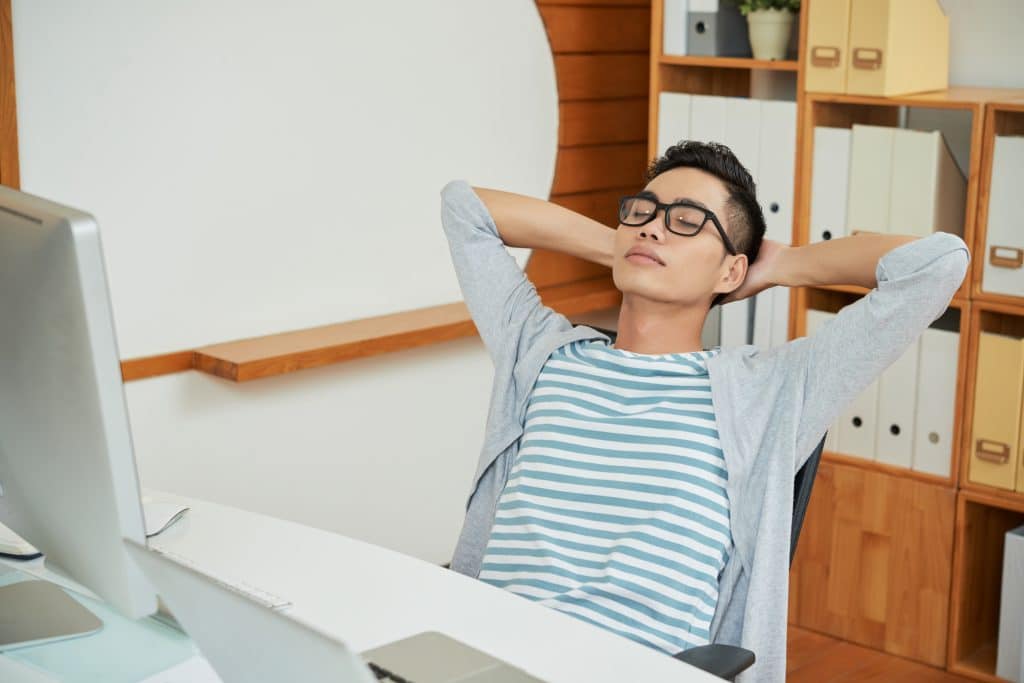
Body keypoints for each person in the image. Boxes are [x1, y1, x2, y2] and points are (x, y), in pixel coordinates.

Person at [439, 140, 968, 682]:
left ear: (731, 273)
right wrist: (621, 244)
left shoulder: (767, 391)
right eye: (641, 212)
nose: (653, 227)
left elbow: (938, 263)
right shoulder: (541, 352)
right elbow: (465, 208)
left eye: (689, 221)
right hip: (485, 658)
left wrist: (782, 264)